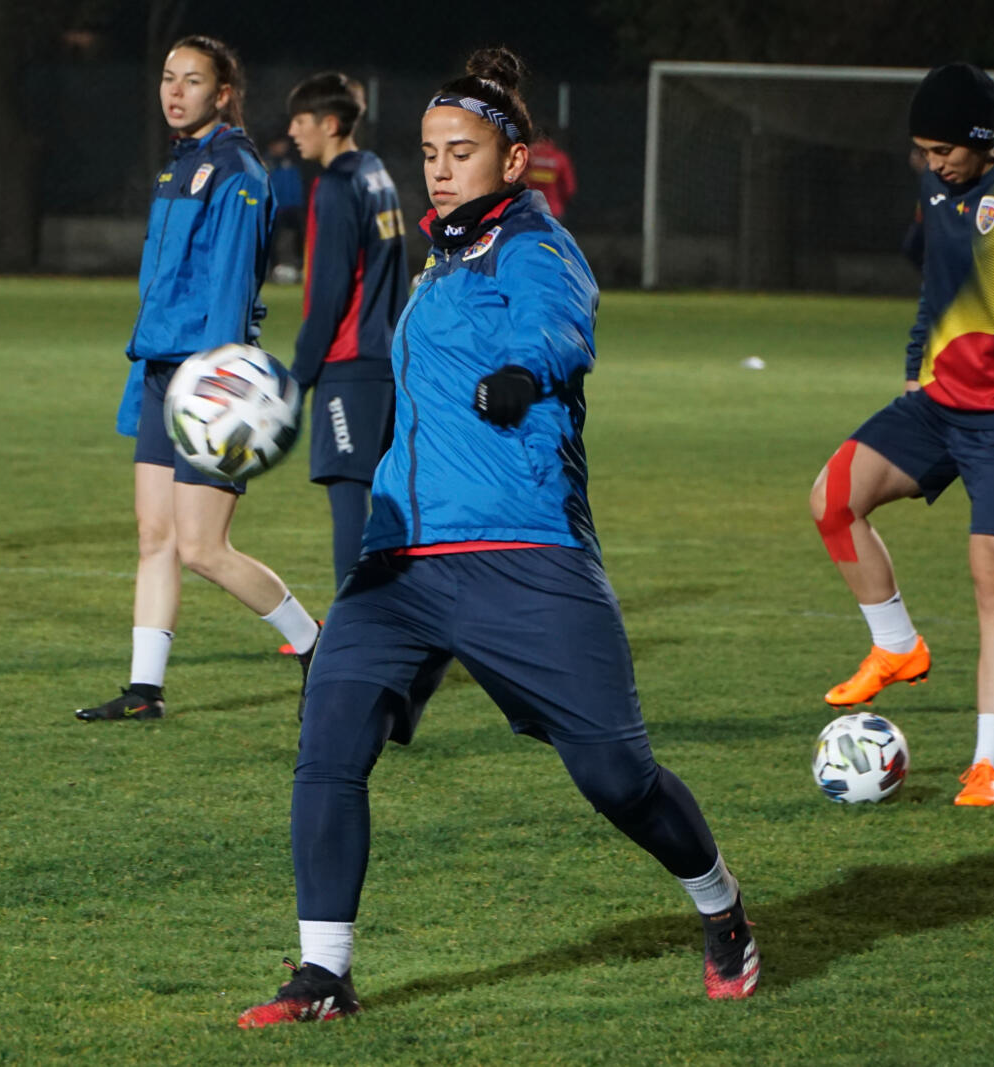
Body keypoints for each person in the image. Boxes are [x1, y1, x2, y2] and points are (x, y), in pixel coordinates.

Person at [237, 47, 759, 1028]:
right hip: (398, 560)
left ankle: (719, 903)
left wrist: (524, 371)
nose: (440, 169)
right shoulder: (438, 262)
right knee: (329, 741)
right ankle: (323, 974)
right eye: (430, 151)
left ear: (512, 161)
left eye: (462, 152)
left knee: (616, 777)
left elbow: (560, 326)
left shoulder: (535, 246)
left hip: (520, 549)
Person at [74, 36, 320, 723]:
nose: (175, 91)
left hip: (207, 381)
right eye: (167, 78)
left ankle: (316, 643)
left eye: (192, 80)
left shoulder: (238, 169)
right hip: (159, 370)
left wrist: (219, 383)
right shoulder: (179, 164)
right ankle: (144, 691)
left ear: (223, 93)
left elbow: (231, 286)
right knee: (154, 535)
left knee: (203, 548)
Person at [809, 62, 994, 807]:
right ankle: (898, 646)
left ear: (984, 138)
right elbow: (936, 285)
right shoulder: (935, 189)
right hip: (937, 404)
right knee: (833, 497)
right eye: (923, 150)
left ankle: (989, 764)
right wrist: (914, 368)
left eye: (944, 149)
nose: (933, 163)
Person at [286, 72, 408, 592]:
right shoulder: (376, 174)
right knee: (387, 503)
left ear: (330, 124)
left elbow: (329, 292)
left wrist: (298, 377)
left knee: (348, 498)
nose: (292, 132)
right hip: (386, 361)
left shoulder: (336, 187)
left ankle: (352, 628)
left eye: (301, 120)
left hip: (349, 364)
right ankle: (397, 620)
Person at [265, 136, 306, 284]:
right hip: (277, 207)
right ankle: (272, 268)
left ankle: (299, 266)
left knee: (299, 235)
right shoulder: (267, 163)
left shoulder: (290, 162)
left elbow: (296, 184)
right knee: (272, 239)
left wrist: (298, 202)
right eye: (280, 144)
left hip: (293, 206)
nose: (284, 147)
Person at [524, 130, 577, 220]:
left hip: (530, 208)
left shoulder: (528, 156)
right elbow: (569, 188)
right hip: (553, 209)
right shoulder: (560, 158)